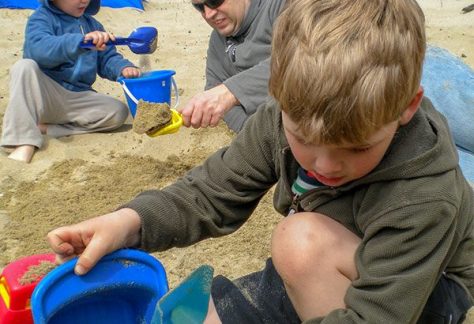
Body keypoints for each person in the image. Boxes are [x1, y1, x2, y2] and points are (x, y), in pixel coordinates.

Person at [47, 0, 474, 323]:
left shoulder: (422, 195)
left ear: (406, 107)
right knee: (204, 315)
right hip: (339, 249)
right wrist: (128, 223)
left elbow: (381, 314)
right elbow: (210, 193)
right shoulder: (281, 112)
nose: (324, 165)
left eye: (358, 147)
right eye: (303, 139)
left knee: (299, 242)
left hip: (422, 284)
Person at [0, 0, 140, 163]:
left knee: (118, 111)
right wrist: (79, 42)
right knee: (24, 67)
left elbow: (107, 58)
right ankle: (23, 142)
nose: (84, 1)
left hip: (77, 97)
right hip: (45, 95)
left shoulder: (93, 25)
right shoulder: (42, 19)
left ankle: (48, 129)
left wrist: (122, 68)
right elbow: (39, 49)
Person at [179, 0, 287, 133]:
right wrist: (254, 135)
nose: (208, 14)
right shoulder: (218, 40)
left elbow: (303, 63)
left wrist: (230, 93)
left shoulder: (284, 7)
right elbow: (215, 90)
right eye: (199, 7)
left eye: (214, 1)